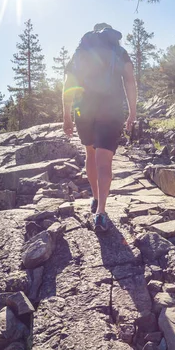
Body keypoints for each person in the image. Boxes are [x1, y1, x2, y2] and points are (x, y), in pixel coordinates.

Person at [62, 23, 137, 232]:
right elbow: (130, 81)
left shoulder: (81, 51)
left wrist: (66, 115)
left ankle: (95, 198)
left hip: (84, 109)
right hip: (111, 110)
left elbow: (69, 84)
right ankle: (101, 212)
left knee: (90, 152)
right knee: (104, 160)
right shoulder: (120, 52)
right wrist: (132, 112)